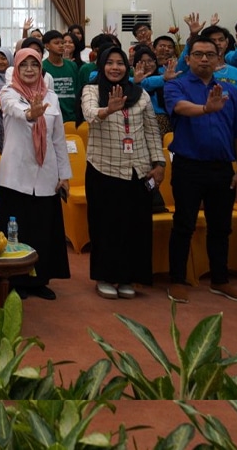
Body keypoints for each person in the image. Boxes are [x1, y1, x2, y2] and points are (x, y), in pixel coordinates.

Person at [163, 35, 237, 303]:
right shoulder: (176, 85)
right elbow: (180, 108)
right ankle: (177, 280)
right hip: (188, 166)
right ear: (188, 59)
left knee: (220, 227)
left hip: (223, 168)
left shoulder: (231, 91)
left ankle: (220, 280)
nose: (203, 59)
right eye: (198, 54)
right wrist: (205, 108)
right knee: (184, 225)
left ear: (218, 59)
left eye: (209, 55)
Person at [81, 46, 164, 300]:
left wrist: (159, 163)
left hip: (137, 170)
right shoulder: (92, 90)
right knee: (106, 227)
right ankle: (105, 276)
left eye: (119, 63)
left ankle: (129, 277)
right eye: (110, 63)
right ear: (102, 66)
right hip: (103, 168)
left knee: (135, 227)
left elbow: (151, 130)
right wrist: (109, 109)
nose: (115, 67)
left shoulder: (140, 95)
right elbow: (89, 114)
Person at [0, 48, 71, 300]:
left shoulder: (51, 96)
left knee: (42, 229)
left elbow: (58, 138)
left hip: (45, 174)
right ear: (16, 69)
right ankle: (14, 279)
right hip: (15, 175)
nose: (29, 70)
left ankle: (39, 279)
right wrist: (31, 113)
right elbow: (16, 112)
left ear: (41, 69)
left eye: (34, 65)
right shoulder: (9, 93)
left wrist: (64, 173)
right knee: (17, 230)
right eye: (24, 65)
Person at [42, 30, 81, 125]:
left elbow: (78, 91)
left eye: (62, 43)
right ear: (47, 46)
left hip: (72, 118)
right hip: (52, 118)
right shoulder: (42, 67)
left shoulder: (72, 66)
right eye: (56, 43)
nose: (61, 45)